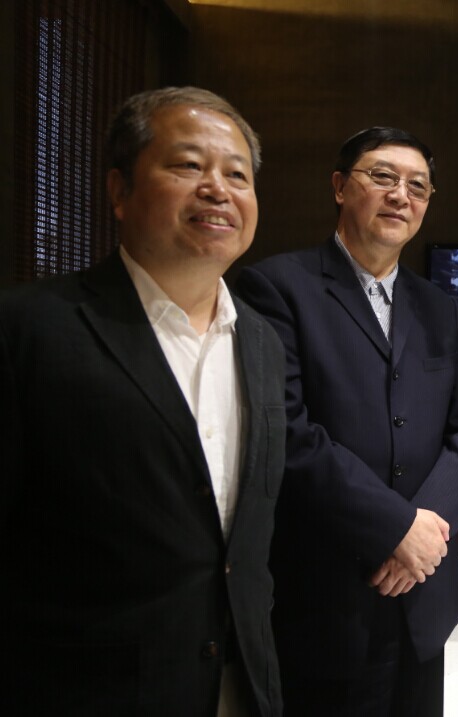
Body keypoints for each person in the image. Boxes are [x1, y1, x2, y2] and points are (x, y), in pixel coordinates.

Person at [0, 87, 285, 716]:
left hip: (240, 685)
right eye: (188, 165)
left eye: (237, 175)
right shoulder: (28, 330)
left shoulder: (263, 342)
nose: (217, 189)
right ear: (119, 190)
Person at [234, 127, 458, 716]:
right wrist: (394, 528)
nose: (401, 195)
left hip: (423, 591)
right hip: (330, 595)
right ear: (339, 187)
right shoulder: (276, 288)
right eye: (383, 176)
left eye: (418, 186)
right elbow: (287, 432)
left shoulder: (439, 307)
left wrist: (424, 535)